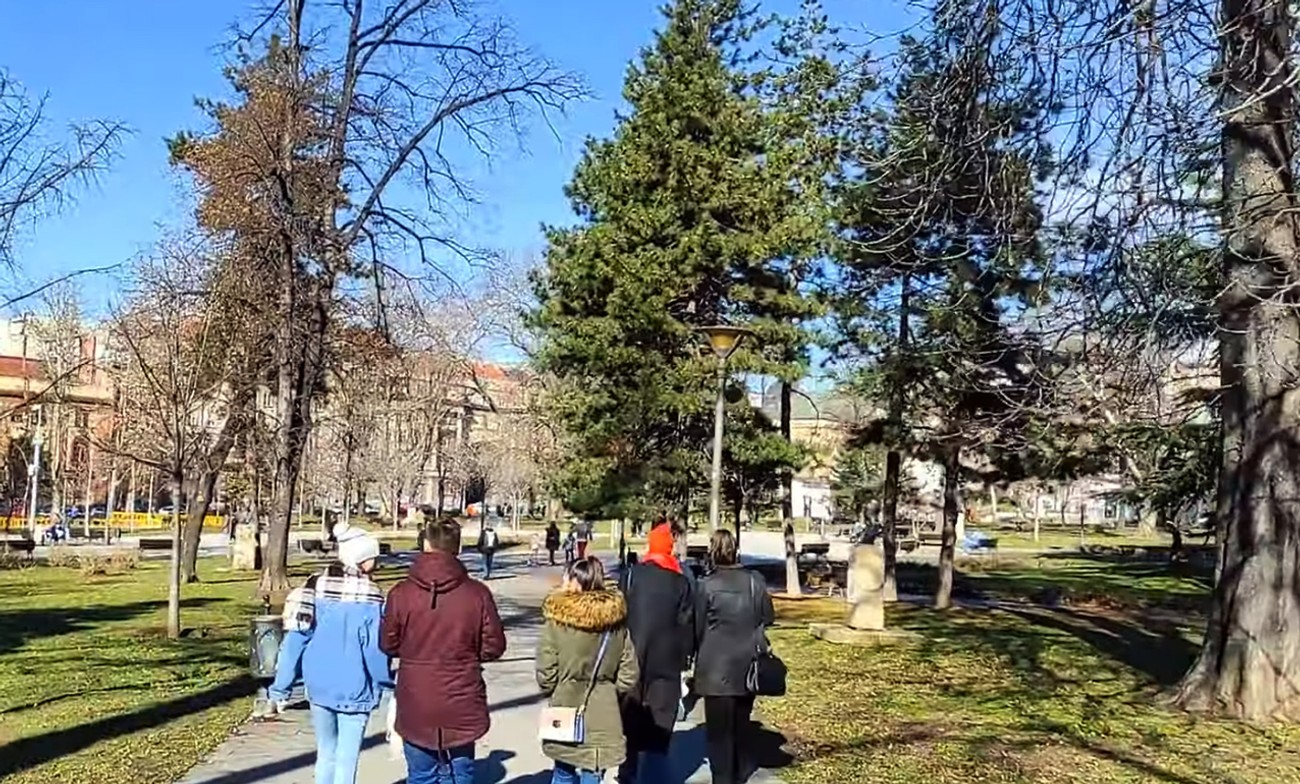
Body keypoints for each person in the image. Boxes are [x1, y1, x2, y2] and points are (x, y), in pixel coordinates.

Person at [382, 518, 507, 784]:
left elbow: (388, 644)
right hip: (461, 693)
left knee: (421, 775)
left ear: (425, 544)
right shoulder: (477, 594)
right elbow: (494, 646)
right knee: (461, 774)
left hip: (416, 695)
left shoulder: (401, 594)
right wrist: (467, 654)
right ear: (458, 548)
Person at [269, 523, 391, 784]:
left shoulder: (313, 588)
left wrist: (281, 688)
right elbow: (374, 650)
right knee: (347, 758)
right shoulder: (372, 596)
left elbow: (295, 641)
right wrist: (385, 682)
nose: (376, 561)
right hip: (356, 687)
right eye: (373, 556)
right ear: (361, 558)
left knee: (326, 752)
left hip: (319, 684)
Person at [536, 556, 640, 784]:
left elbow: (546, 670)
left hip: (565, 703)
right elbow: (629, 672)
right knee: (593, 770)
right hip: (604, 710)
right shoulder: (615, 624)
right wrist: (610, 692)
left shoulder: (557, 622)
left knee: (563, 770)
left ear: (575, 581)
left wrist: (555, 690)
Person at [693, 529, 774, 784]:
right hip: (747, 665)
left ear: (712, 551)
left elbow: (694, 626)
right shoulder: (754, 581)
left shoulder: (704, 585)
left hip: (714, 667)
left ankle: (723, 779)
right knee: (740, 727)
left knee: (719, 735)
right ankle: (738, 776)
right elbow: (768, 617)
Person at [616, 522, 694, 784]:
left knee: (630, 715)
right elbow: (686, 624)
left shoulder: (630, 575)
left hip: (632, 655)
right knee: (660, 720)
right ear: (669, 548)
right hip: (667, 661)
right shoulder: (680, 581)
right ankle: (654, 775)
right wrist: (685, 659)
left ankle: (627, 771)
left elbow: (619, 616)